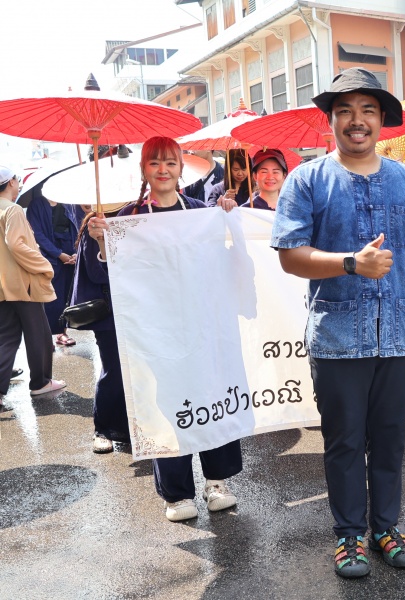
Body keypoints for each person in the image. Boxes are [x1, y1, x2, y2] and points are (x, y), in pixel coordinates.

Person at [271, 67, 405, 579]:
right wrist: (350, 263)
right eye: (345, 111)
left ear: (382, 121)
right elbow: (290, 255)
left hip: (398, 332)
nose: (356, 120)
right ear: (332, 120)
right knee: (343, 441)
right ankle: (349, 534)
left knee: (390, 439)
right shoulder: (307, 179)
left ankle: (386, 527)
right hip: (338, 337)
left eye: (367, 110)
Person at [87, 137, 241, 517]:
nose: (163, 170)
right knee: (165, 404)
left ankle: (216, 481)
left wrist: (228, 216)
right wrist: (104, 242)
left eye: (170, 162)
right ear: (144, 169)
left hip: (201, 325)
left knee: (209, 394)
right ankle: (177, 494)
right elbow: (108, 273)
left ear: (181, 169)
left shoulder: (200, 212)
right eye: (154, 162)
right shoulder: (128, 218)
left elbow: (226, 258)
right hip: (154, 331)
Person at [0, 166, 67, 407]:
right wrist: (43, 265)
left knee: (7, 336)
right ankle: (40, 382)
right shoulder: (13, 209)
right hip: (21, 281)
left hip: (3, 283)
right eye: (17, 180)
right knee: (38, 332)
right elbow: (16, 244)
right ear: (11, 182)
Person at [70, 205, 129, 454]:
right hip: (109, 313)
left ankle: (129, 428)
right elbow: (96, 273)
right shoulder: (95, 224)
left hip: (137, 310)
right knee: (114, 370)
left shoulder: (135, 216)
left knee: (137, 372)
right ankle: (102, 430)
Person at [24, 190, 81, 346]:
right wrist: (58, 254)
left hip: (70, 252)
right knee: (51, 297)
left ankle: (62, 332)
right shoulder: (36, 204)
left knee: (67, 296)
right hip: (50, 255)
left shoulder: (68, 202)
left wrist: (76, 252)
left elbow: (77, 226)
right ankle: (46, 335)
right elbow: (37, 233)